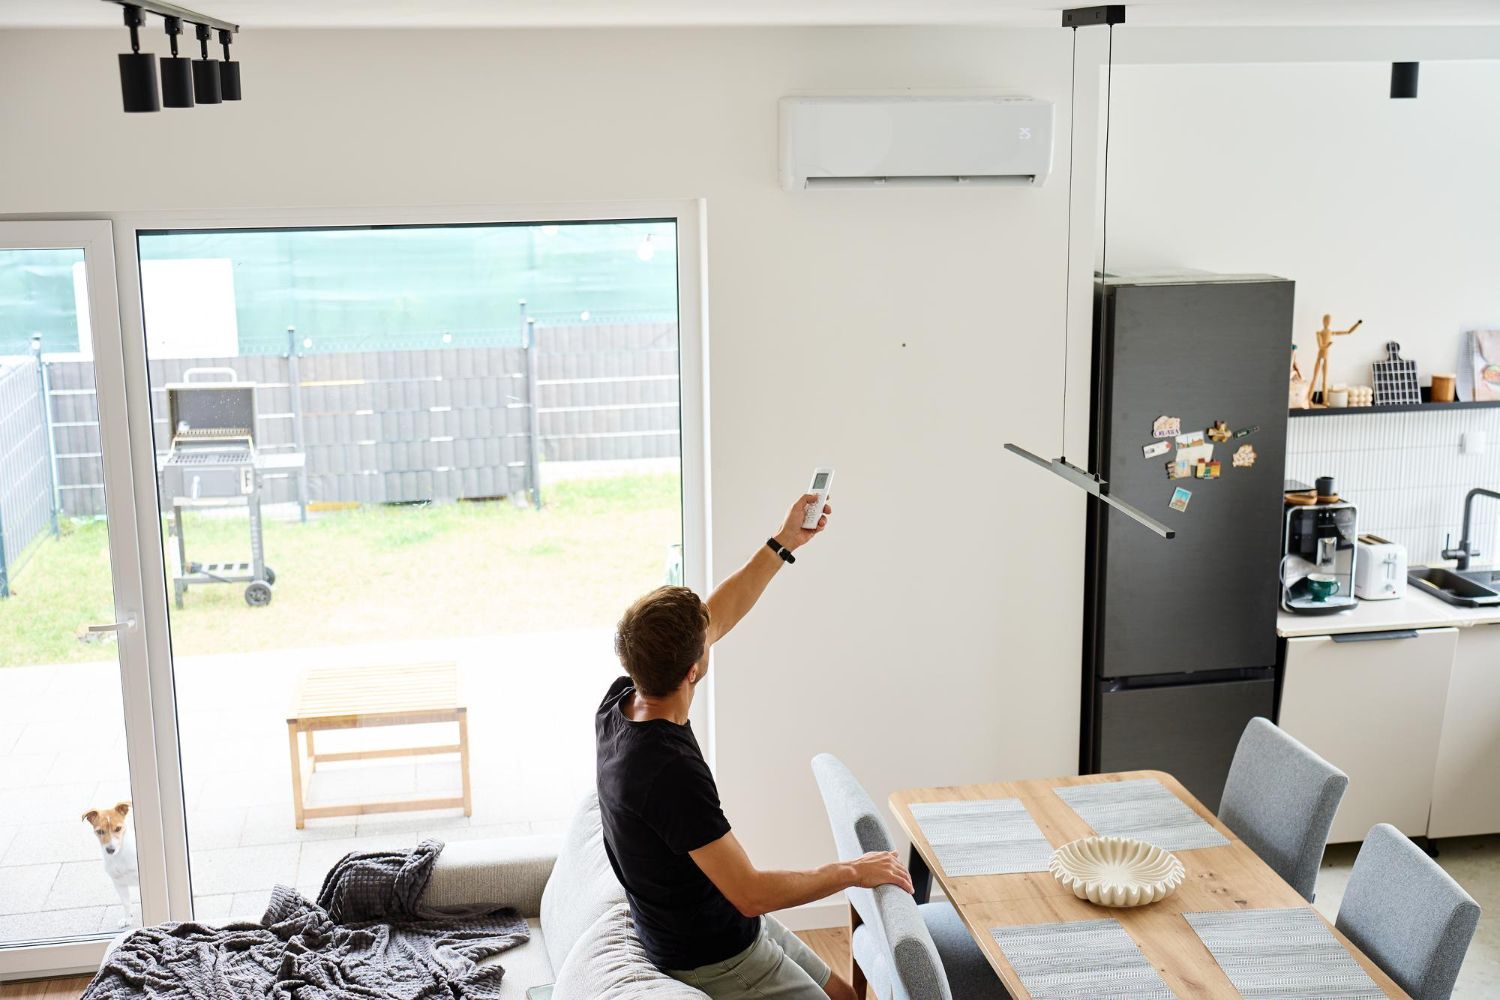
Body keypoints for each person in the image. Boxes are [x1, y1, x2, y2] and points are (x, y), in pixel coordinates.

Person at [596, 492, 912, 999]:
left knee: (846, 996)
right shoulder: (668, 772)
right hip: (716, 958)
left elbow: (721, 610)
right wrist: (854, 870)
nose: (713, 627)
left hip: (724, 925)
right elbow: (749, 893)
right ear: (694, 669)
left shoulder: (621, 703)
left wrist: (786, 541)